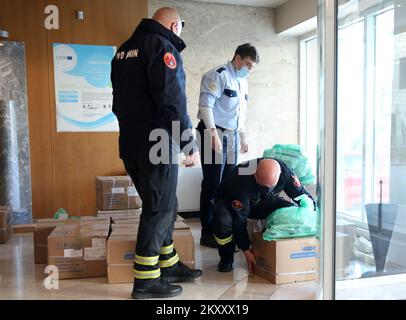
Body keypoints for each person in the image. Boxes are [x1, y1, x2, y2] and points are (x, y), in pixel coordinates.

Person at [111, 7, 202, 300]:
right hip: (157, 145)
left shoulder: (124, 50)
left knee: (165, 204)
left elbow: (118, 103)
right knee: (159, 209)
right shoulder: (161, 48)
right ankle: (146, 280)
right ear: (175, 25)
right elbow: (172, 102)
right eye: (181, 28)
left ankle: (169, 263)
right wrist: (189, 144)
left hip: (132, 145)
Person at [196, 44, 259, 248]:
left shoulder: (243, 82)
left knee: (230, 183)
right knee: (213, 183)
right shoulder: (218, 75)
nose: (249, 69)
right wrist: (213, 133)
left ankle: (223, 229)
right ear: (237, 58)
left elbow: (239, 114)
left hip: (231, 135)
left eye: (252, 67)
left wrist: (243, 137)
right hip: (212, 132)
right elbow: (206, 106)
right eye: (248, 64)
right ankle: (207, 233)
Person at [213, 158, 315, 273]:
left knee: (291, 212)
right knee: (223, 220)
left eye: (270, 187)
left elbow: (302, 196)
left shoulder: (285, 172)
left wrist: (314, 214)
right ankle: (226, 258)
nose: (266, 190)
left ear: (279, 174)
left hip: (264, 201)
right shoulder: (240, 179)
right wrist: (246, 250)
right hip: (233, 202)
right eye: (263, 187)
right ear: (255, 173)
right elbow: (239, 220)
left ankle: (271, 250)